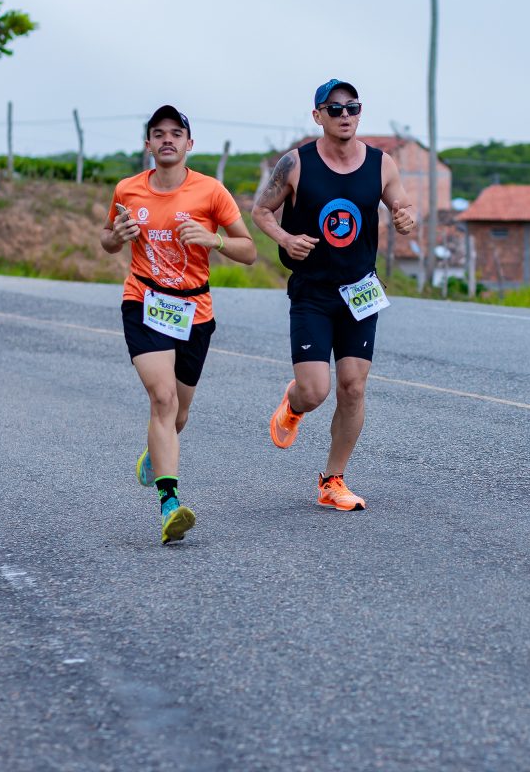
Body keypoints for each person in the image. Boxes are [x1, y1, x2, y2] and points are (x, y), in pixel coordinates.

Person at [252, 79, 416, 511]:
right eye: (335, 108)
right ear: (318, 116)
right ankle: (293, 403)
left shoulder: (381, 164)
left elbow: (403, 205)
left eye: (352, 107)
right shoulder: (296, 163)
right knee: (315, 391)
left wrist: (406, 218)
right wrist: (285, 239)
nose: (345, 115)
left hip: (360, 290)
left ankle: (332, 481)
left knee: (353, 387)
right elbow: (261, 211)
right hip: (312, 290)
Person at [101, 105, 256, 544]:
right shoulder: (128, 189)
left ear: (189, 143)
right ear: (148, 144)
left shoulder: (211, 191)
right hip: (144, 301)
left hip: (195, 311)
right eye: (158, 133)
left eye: (175, 133)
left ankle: (156, 453)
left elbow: (249, 250)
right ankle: (170, 504)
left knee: (179, 414)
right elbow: (107, 239)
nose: (167, 139)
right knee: (163, 399)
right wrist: (117, 237)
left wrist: (214, 239)